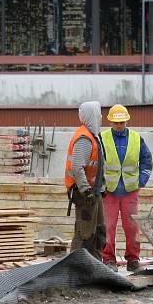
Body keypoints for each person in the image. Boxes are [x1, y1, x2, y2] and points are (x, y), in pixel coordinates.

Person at [100, 104, 153, 273]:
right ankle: (108, 259)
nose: (120, 125)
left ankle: (133, 260)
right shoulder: (102, 138)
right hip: (109, 191)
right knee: (108, 226)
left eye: (122, 122)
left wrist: (140, 182)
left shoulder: (137, 139)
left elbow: (147, 161)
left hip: (130, 190)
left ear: (126, 121)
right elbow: (97, 163)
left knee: (131, 227)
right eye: (117, 123)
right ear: (110, 122)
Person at [65, 101, 106, 260]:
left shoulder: (94, 137)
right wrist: (85, 190)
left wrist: (102, 187)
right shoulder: (84, 139)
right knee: (85, 233)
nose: (101, 117)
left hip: (95, 192)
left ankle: (95, 267)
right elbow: (77, 167)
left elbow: (98, 166)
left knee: (98, 232)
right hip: (85, 194)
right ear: (93, 116)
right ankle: (75, 269)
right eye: (99, 114)